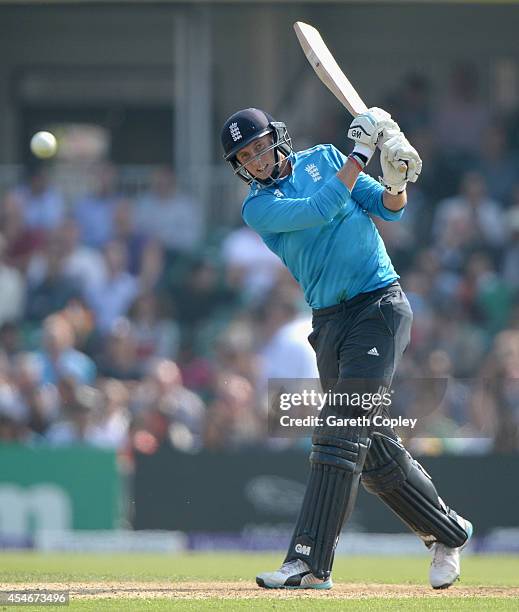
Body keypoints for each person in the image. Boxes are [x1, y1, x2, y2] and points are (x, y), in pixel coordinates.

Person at [221, 107, 473, 590]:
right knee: (367, 444)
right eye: (244, 156)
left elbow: (387, 207)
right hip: (329, 322)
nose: (255, 160)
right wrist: (361, 153)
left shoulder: (325, 158)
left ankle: (309, 561)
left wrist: (396, 179)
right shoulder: (258, 208)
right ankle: (448, 531)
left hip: (378, 306)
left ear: (277, 139)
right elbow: (320, 208)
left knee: (338, 430)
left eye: (258, 147)